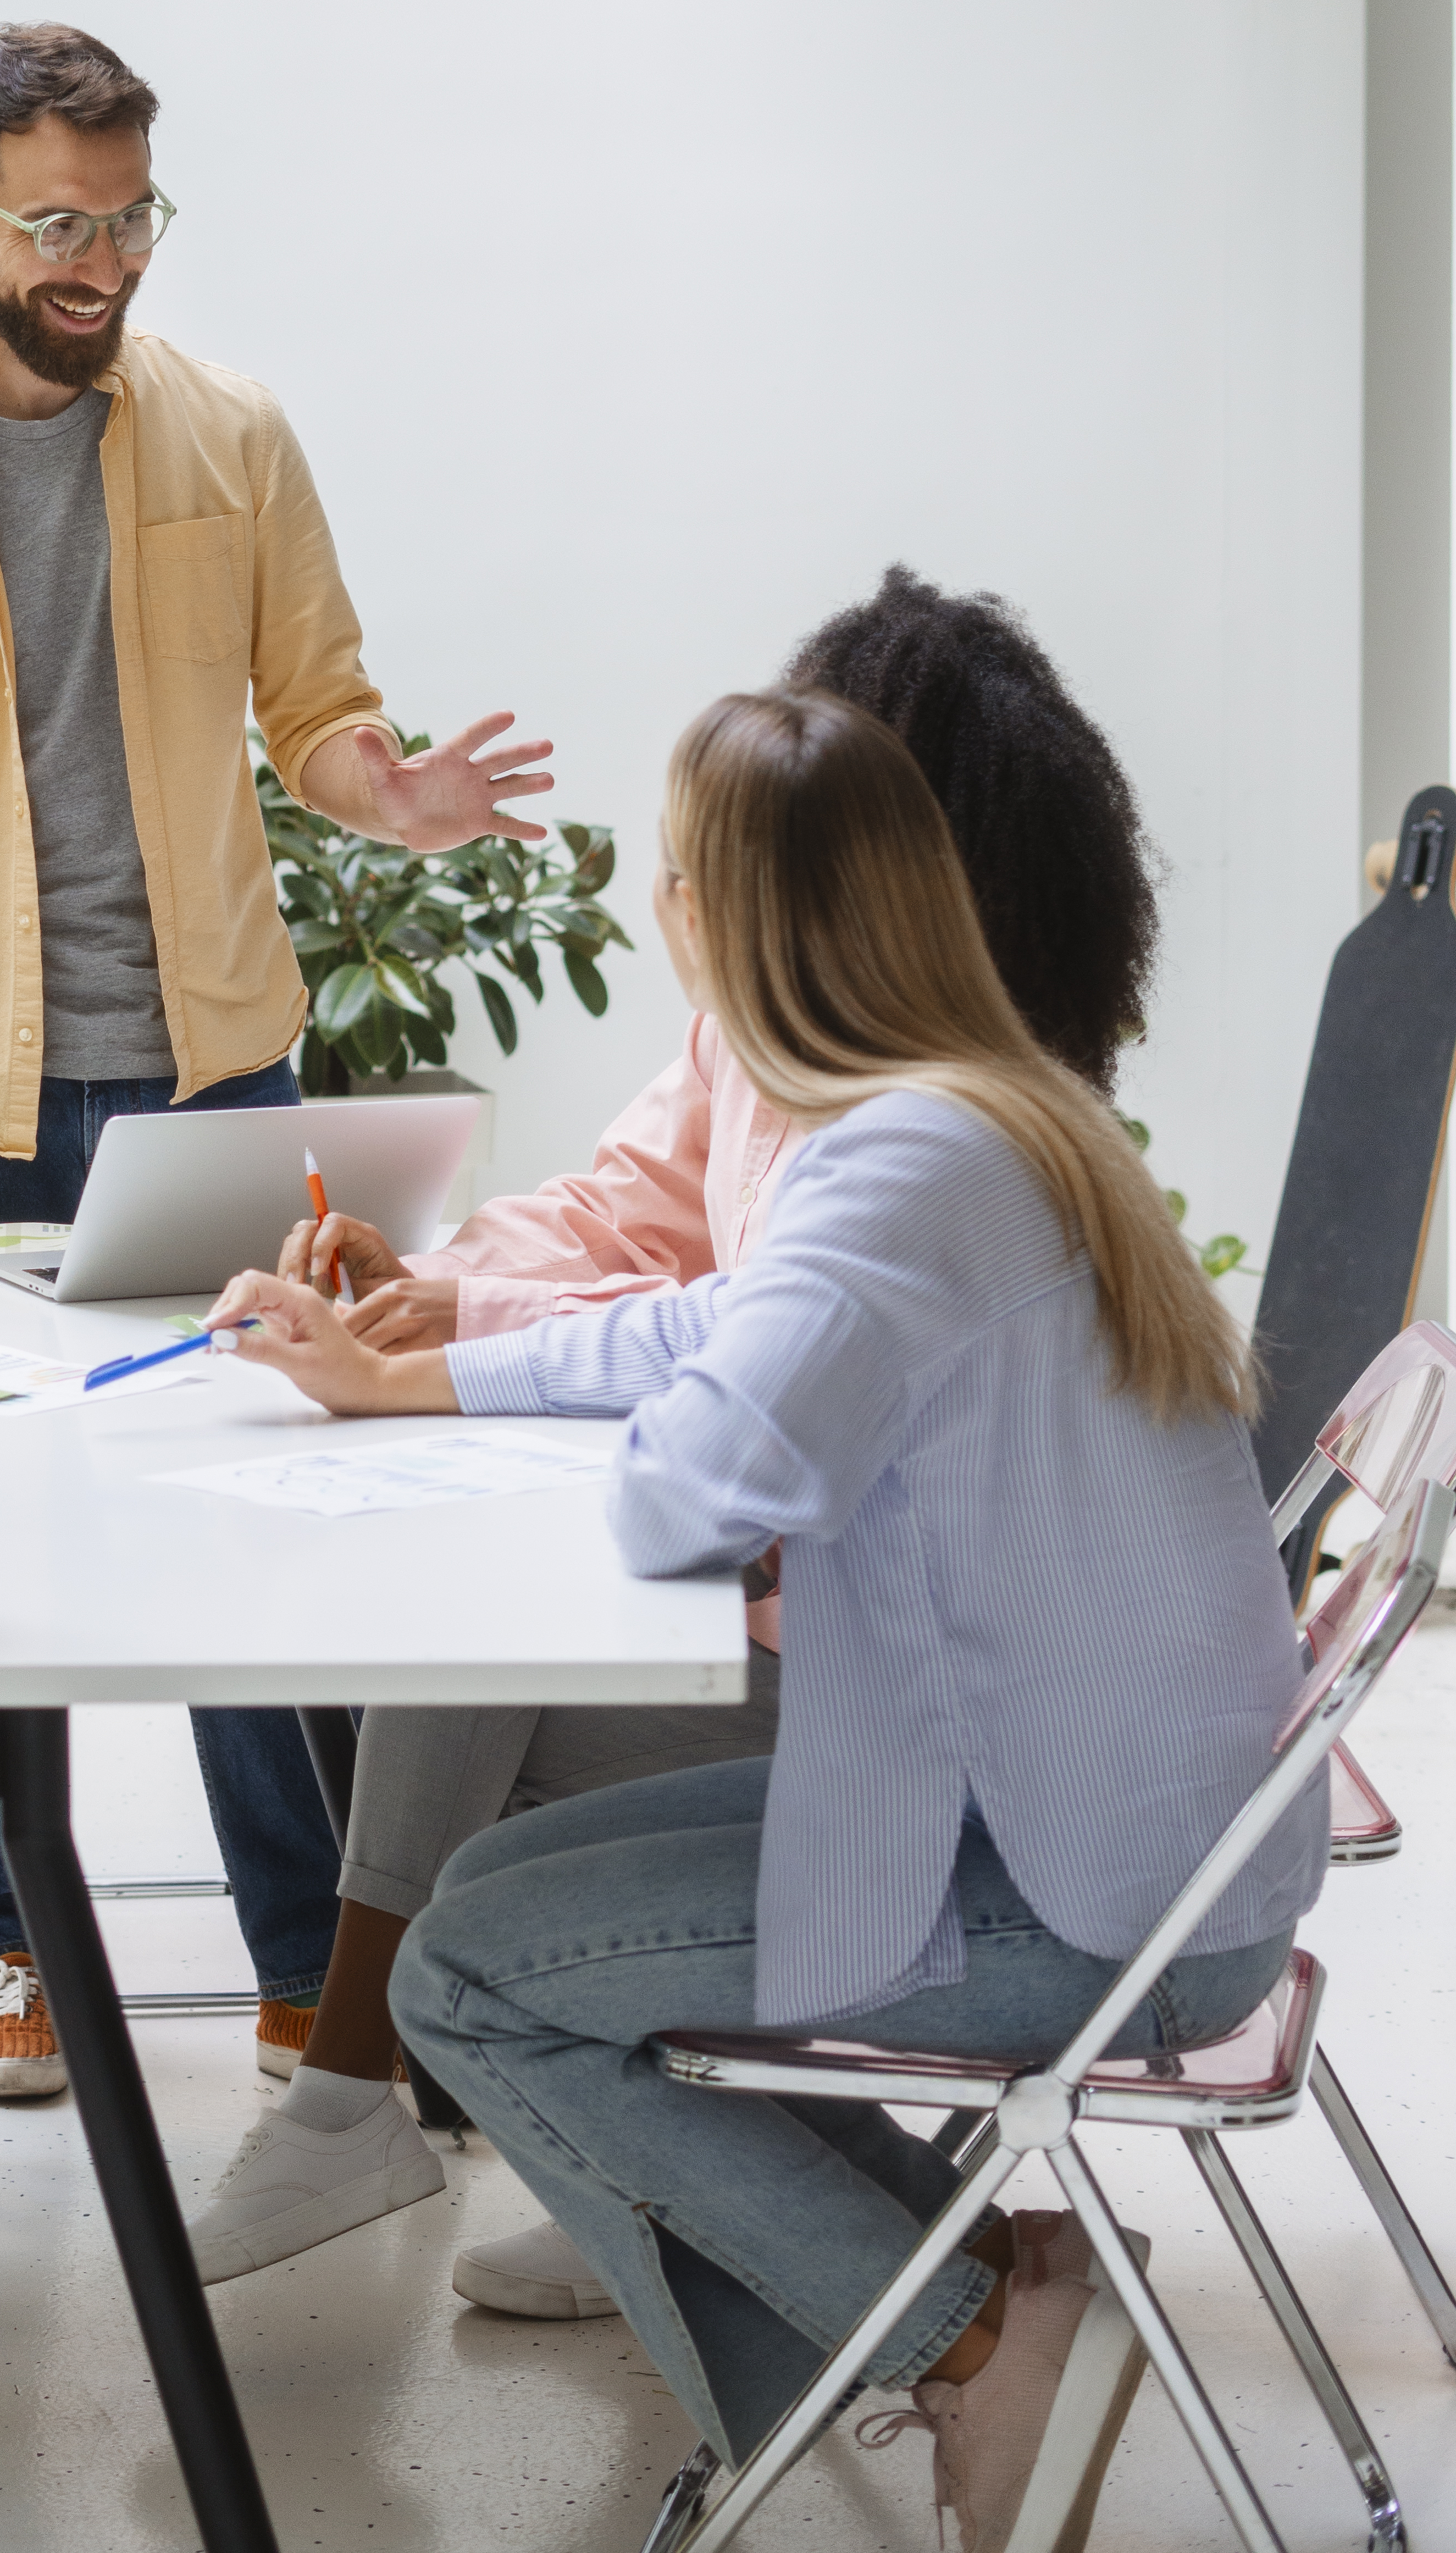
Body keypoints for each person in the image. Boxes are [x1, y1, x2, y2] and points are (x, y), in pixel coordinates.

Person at [211, 689, 1319, 2553]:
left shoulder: (902, 1172)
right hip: (1122, 1840)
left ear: (716, 918)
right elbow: (714, 1322)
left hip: (1074, 1904)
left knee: (472, 1988)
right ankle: (994, 2277)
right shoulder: (981, 1117)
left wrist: (471, 1420)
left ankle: (957, 2342)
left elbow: (701, 1473)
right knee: (485, 1917)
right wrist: (428, 1371)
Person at [0, 18, 557, 2100]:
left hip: (206, 1075)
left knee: (259, 1513)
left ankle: (312, 1960)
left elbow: (324, 714)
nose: (104, 260)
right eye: (61, 224)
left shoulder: (236, 436)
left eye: (132, 217)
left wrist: (404, 799)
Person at [191, 571, 1165, 2300]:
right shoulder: (796, 1036)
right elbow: (641, 1237)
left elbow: (750, 1393)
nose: (674, 898)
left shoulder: (939, 1124)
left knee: (474, 1660)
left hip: (929, 1726)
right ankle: (602, 2166)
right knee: (476, 1649)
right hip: (887, 1664)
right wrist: (443, 1310)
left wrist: (461, 1377)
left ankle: (423, 2123)